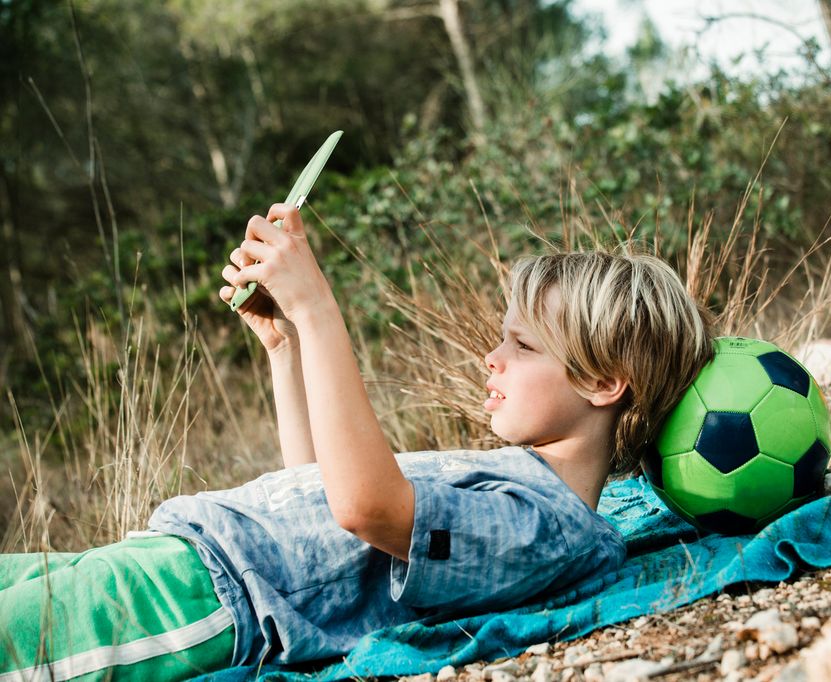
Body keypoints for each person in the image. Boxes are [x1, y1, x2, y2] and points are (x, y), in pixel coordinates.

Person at [0, 204, 715, 679]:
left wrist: (318, 308)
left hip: (197, 602)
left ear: (604, 385)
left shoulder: (549, 526)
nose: (490, 358)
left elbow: (366, 509)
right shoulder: (515, 477)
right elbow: (321, 491)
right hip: (172, 557)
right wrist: (285, 346)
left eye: (521, 344)